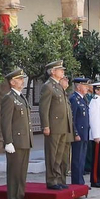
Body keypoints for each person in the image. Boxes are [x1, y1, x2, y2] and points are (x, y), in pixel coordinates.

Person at [0, 67, 33, 199]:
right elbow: (6, 122)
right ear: (12, 82)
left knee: (22, 172)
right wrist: (8, 141)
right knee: (14, 172)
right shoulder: (9, 98)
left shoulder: (21, 97)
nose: (22, 81)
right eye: (19, 79)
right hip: (16, 141)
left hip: (24, 140)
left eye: (22, 79)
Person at [40, 61, 70, 190]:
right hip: (54, 126)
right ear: (53, 71)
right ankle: (51, 180)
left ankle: (58, 178)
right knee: (52, 154)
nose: (62, 72)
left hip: (62, 125)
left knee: (59, 154)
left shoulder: (58, 86)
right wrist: (45, 125)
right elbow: (44, 108)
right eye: (60, 69)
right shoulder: (48, 86)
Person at [68, 75, 91, 185]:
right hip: (78, 133)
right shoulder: (74, 99)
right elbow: (72, 118)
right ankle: (77, 182)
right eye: (85, 85)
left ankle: (80, 181)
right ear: (78, 87)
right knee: (77, 159)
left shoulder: (83, 99)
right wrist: (75, 133)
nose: (87, 87)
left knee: (82, 158)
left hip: (84, 133)